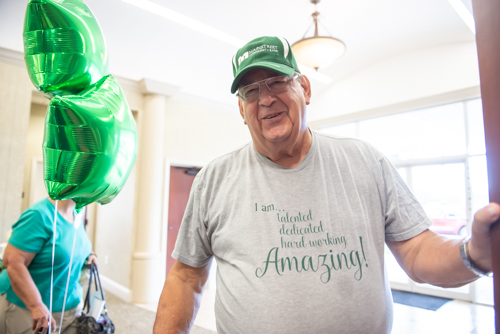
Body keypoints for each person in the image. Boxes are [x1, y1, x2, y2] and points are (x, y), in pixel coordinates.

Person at [153, 36, 499, 333]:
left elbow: (418, 251)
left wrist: (474, 255)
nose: (266, 99)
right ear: (242, 110)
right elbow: (185, 279)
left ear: (303, 88)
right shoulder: (214, 180)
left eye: (276, 81)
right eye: (251, 91)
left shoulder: (365, 161)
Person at [0, 198, 97, 334]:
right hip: (29, 309)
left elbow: (70, 245)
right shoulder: (38, 215)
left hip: (70, 305)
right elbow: (12, 262)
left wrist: (89, 255)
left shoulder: (76, 213)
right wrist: (35, 305)